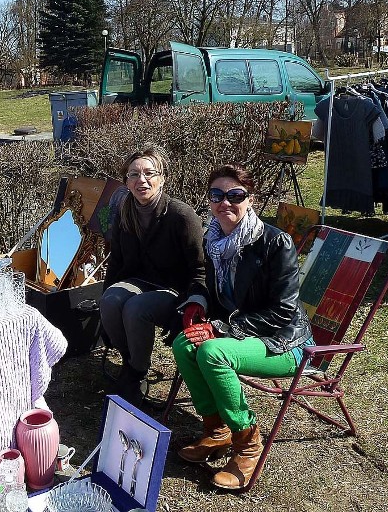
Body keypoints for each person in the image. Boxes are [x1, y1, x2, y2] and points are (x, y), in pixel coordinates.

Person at [173, 163, 313, 490]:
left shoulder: (276, 244)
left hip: (284, 343)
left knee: (212, 352)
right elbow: (210, 287)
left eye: (235, 195)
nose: (226, 202)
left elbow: (282, 312)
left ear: (250, 198)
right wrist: (198, 301)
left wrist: (220, 328)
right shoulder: (214, 239)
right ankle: (216, 430)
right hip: (243, 334)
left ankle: (247, 441)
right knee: (183, 344)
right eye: (217, 195)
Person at [99, 147, 206, 403]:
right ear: (126, 181)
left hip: (174, 289)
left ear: (162, 178)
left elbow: (200, 268)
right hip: (139, 281)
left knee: (136, 308)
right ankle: (130, 361)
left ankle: (137, 372)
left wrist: (195, 302)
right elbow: (116, 262)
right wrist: (105, 309)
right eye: (133, 174)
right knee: (111, 300)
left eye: (149, 173)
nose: (141, 180)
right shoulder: (125, 211)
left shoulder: (181, 215)